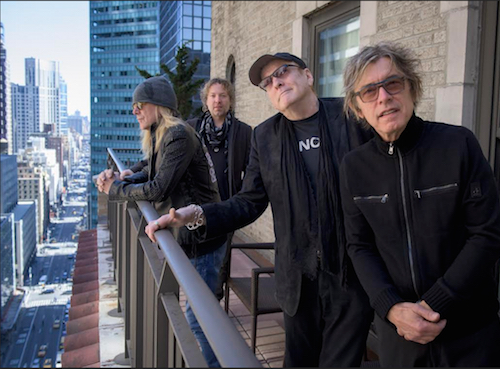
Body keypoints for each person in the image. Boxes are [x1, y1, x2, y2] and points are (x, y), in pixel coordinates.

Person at [145, 52, 374, 367]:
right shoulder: (266, 136)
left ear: (308, 76)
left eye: (282, 72)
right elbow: (248, 202)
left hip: (351, 276)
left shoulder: (351, 117)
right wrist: (196, 214)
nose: (276, 82)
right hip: (297, 279)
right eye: (268, 82)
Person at [339, 42, 500, 367]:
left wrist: (435, 303)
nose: (384, 97)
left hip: (471, 334)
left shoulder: (459, 145)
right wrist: (390, 307)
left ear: (412, 88)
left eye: (393, 83)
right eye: (369, 91)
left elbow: (487, 235)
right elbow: (358, 246)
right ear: (359, 109)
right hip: (400, 337)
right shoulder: (353, 167)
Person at [95, 75, 226, 367]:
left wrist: (115, 189)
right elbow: (153, 174)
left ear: (160, 105)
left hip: (202, 238)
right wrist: (119, 177)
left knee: (199, 319)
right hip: (190, 236)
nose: (135, 111)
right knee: (198, 315)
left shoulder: (177, 134)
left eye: (140, 104)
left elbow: (158, 189)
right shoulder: (162, 135)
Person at [188, 78, 252, 300]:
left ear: (230, 100)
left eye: (223, 95)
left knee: (219, 261)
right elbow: (167, 158)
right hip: (195, 206)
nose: (218, 100)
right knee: (197, 258)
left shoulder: (243, 132)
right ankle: (198, 301)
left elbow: (252, 170)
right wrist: (134, 172)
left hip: (226, 207)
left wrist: (242, 198)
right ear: (206, 100)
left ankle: (213, 302)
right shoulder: (191, 128)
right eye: (213, 96)